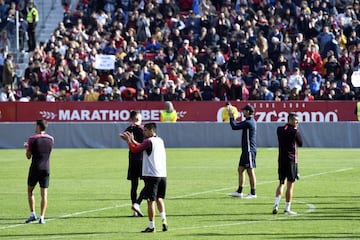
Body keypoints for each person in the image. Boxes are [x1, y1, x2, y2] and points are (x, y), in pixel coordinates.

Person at [121, 123, 168, 233]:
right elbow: (141, 146)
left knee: (150, 201)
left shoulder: (148, 141)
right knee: (159, 199)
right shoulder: (160, 140)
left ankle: (151, 226)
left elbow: (135, 150)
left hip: (152, 175)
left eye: (145, 130)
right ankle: (164, 220)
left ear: (151, 131)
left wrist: (128, 141)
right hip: (162, 175)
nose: (144, 133)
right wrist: (132, 140)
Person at [24, 119, 54, 224]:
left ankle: (33, 214)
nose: (34, 127)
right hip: (46, 168)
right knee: (44, 194)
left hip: (35, 168)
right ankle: (42, 217)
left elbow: (28, 156)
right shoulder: (51, 139)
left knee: (30, 191)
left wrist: (27, 148)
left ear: (38, 127)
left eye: (35, 125)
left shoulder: (32, 139)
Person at [272, 113, 303, 215]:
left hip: (281, 160)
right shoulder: (294, 131)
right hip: (291, 161)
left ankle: (276, 205)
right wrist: (296, 130)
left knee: (281, 183)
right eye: (295, 120)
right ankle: (287, 208)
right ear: (290, 120)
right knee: (290, 185)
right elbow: (301, 143)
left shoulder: (279, 129)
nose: (297, 122)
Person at [227, 104, 257, 199]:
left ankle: (253, 193)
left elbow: (234, 126)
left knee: (250, 171)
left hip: (249, 150)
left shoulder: (249, 122)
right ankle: (239, 191)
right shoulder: (248, 121)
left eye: (244, 110)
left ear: (248, 112)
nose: (242, 112)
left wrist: (231, 116)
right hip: (245, 151)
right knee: (240, 169)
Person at [119, 110, 145, 217]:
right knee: (148, 184)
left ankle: (134, 209)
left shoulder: (128, 129)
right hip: (142, 159)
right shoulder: (143, 129)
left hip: (132, 158)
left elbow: (125, 138)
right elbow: (145, 144)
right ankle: (137, 203)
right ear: (138, 118)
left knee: (134, 185)